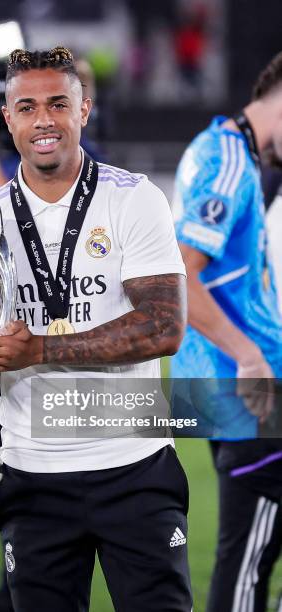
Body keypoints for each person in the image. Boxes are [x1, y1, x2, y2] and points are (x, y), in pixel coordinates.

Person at [0, 47, 192, 612]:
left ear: (84, 110)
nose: (43, 119)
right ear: (7, 119)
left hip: (133, 464)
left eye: (58, 103)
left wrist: (41, 348)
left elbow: (164, 326)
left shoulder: (134, 198)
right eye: (26, 107)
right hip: (29, 474)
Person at [171, 51, 282, 612]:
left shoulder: (214, 148)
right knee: (246, 565)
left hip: (229, 386)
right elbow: (181, 278)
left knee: (252, 553)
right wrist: (251, 358)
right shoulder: (230, 163)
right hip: (247, 392)